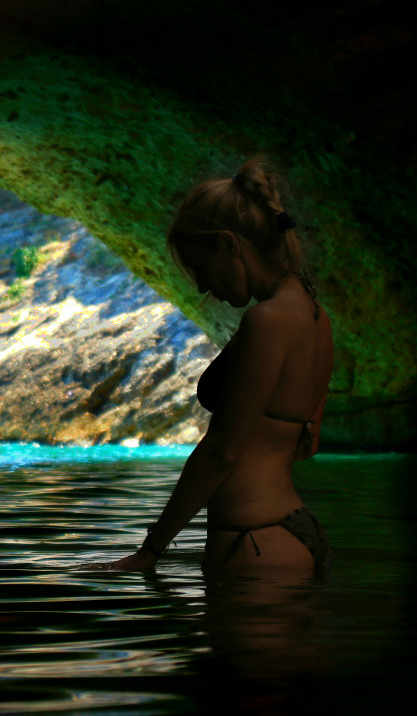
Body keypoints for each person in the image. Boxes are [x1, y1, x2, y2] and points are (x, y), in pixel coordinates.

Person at [106, 157, 334, 574]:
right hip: (290, 530)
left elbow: (221, 453)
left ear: (230, 246)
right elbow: (307, 443)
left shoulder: (268, 322)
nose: (202, 285)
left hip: (254, 540)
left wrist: (150, 551)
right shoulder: (313, 314)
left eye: (199, 267)